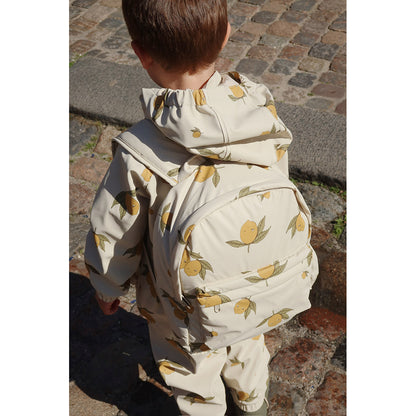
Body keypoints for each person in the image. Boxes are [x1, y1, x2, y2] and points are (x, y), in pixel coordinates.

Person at [84, 1, 300, 414]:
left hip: (178, 302)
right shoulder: (259, 109)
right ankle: (253, 403)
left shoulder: (140, 150)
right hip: (252, 278)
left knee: (190, 364)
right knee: (246, 341)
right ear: (226, 34)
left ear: (140, 53)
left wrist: (106, 286)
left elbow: (115, 230)